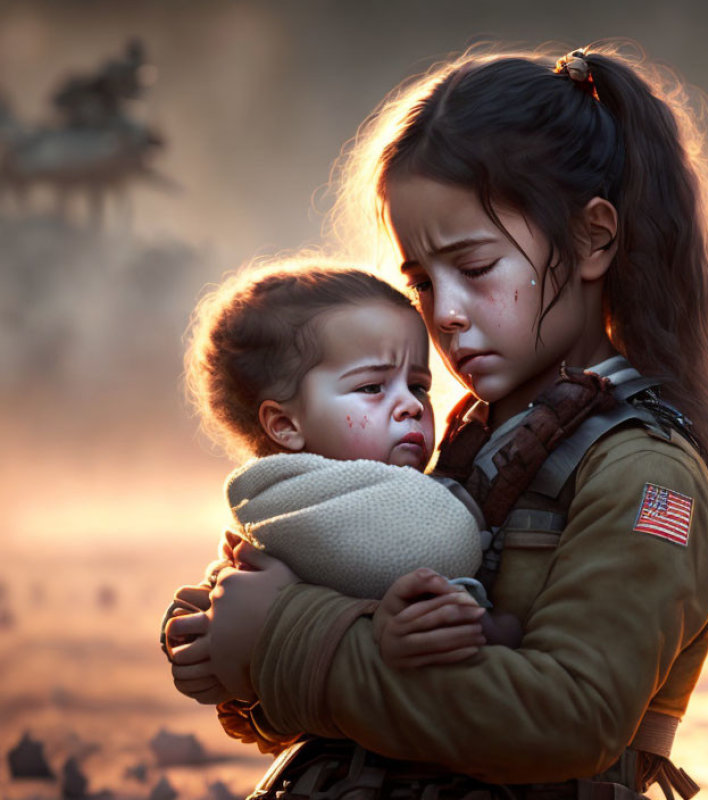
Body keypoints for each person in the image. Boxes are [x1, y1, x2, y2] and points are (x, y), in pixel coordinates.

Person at [167, 42, 708, 800]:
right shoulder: (464, 439)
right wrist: (222, 637)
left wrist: (289, 637)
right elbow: (312, 679)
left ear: (593, 237)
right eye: (420, 281)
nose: (445, 315)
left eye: (474, 269)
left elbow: (569, 722)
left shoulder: (647, 474)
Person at [163, 262, 522, 719]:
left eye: (419, 386)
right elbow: (444, 543)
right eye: (372, 387)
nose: (411, 406)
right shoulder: (310, 511)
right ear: (285, 424)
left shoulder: (290, 507)